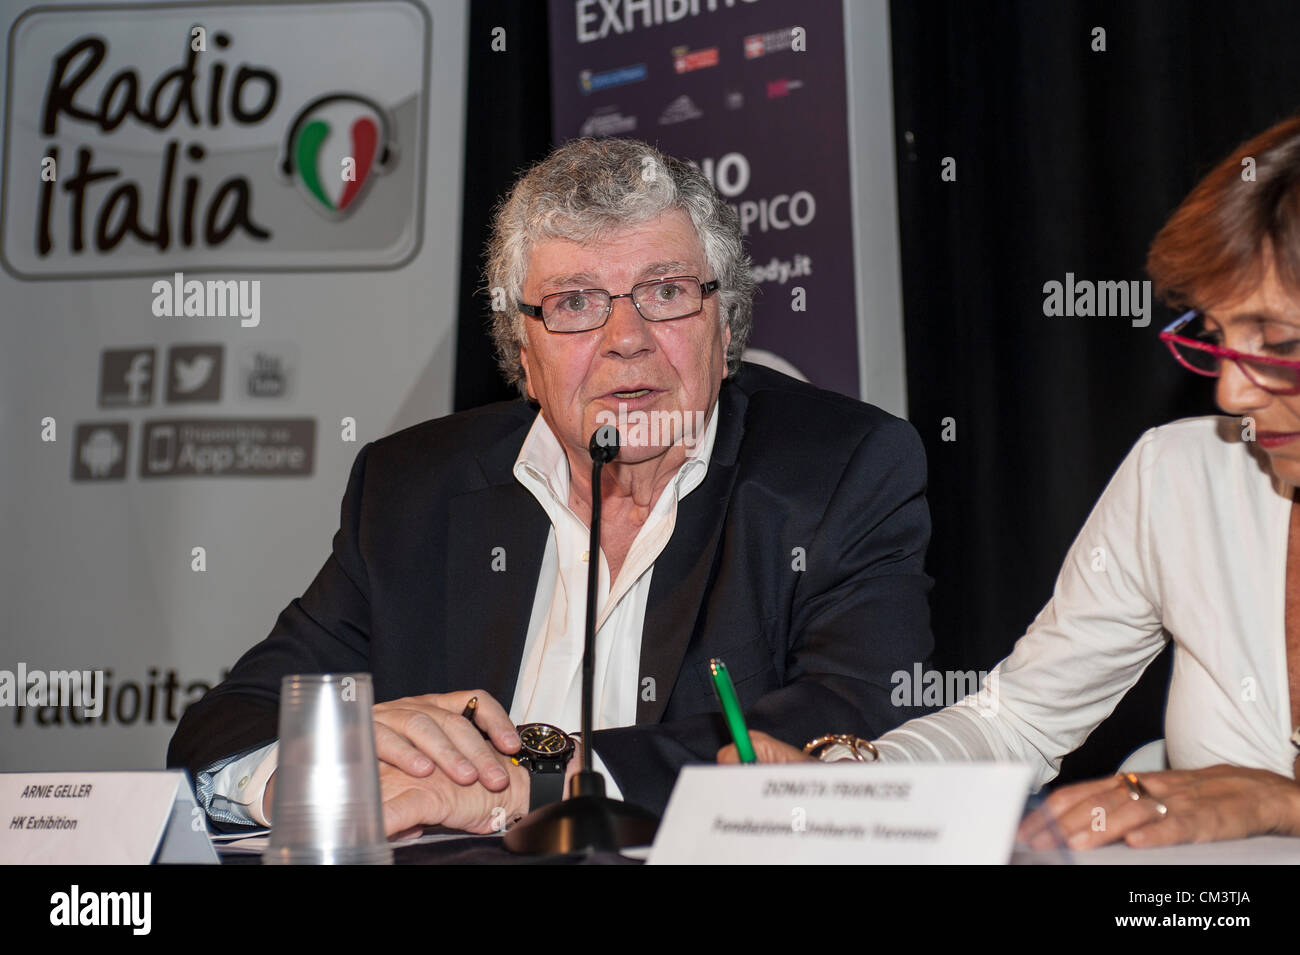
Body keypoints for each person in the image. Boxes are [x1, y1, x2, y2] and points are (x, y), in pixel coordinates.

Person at [167, 137, 936, 836]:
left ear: (724, 324)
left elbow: (860, 713)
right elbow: (228, 725)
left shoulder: (840, 470)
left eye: (665, 291)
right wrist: (335, 766)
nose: (626, 340)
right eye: (575, 304)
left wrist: (537, 784)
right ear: (522, 354)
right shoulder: (411, 490)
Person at [721, 115, 1300, 851]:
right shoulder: (1181, 476)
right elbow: (1019, 718)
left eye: (1278, 344)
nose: (1231, 394)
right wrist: (849, 782)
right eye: (1218, 339)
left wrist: (1280, 800)